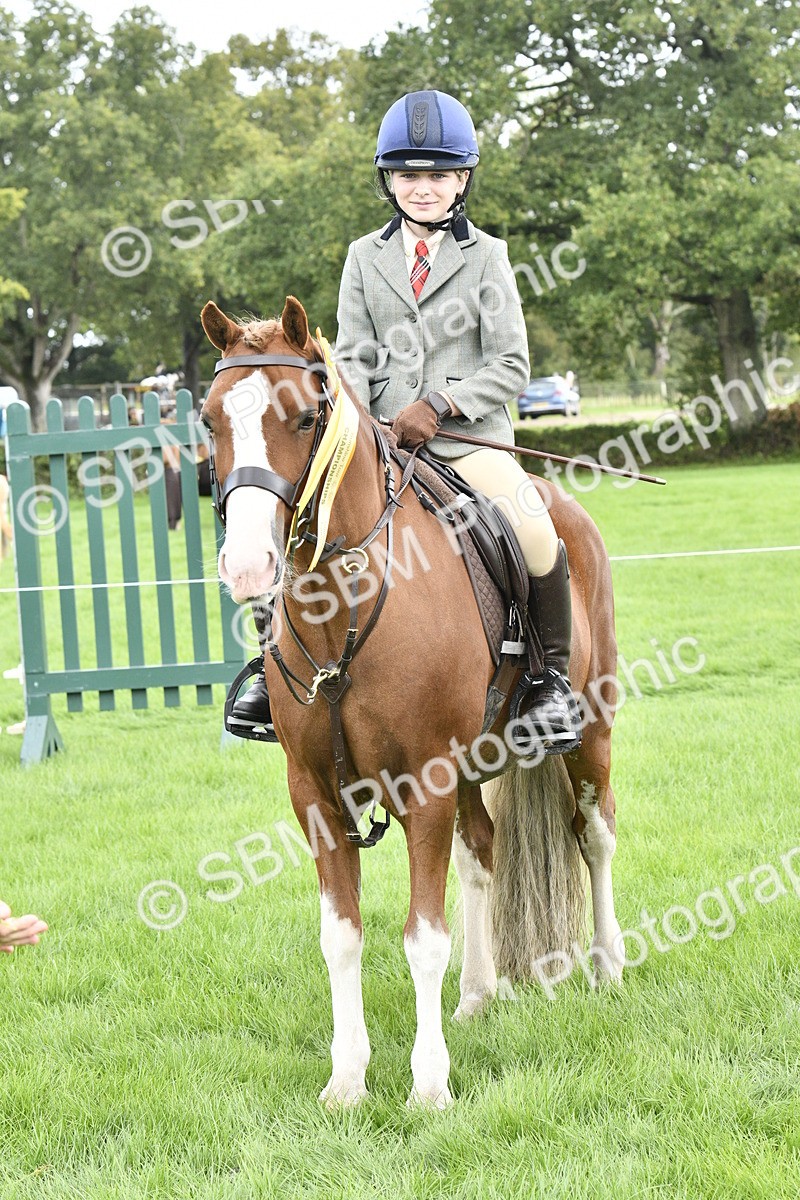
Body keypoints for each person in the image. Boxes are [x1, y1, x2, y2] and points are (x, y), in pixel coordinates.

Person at [230, 90, 581, 754]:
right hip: (379, 442)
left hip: (466, 442)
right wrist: (369, 423)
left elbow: (510, 363)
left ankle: (547, 681)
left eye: (439, 174)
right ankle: (269, 670)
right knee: (299, 521)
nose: (424, 187)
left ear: (463, 180)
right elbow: (354, 355)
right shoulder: (365, 256)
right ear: (389, 180)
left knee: (533, 525)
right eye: (409, 174)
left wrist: (441, 404)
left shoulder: (487, 257)